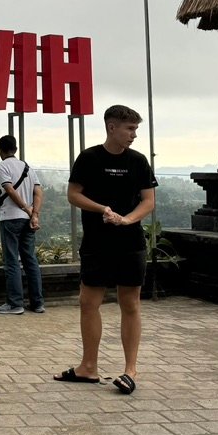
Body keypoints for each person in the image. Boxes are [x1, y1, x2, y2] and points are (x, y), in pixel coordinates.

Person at [54, 104, 156, 395]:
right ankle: (88, 367)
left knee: (130, 303)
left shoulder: (138, 162)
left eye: (135, 129)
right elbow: (73, 194)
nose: (134, 135)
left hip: (130, 243)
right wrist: (102, 209)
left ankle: (130, 370)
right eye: (130, 129)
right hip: (97, 243)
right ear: (112, 127)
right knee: (88, 302)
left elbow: (148, 201)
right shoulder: (89, 158)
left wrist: (126, 220)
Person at [0, 134, 45, 316]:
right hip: (28, 220)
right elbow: (38, 192)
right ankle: (37, 303)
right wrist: (34, 214)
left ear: (0, 150)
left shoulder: (2, 166)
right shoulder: (28, 168)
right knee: (30, 260)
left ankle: (15, 304)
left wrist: (25, 208)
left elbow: (9, 189)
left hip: (11, 218)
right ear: (15, 149)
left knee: (12, 261)